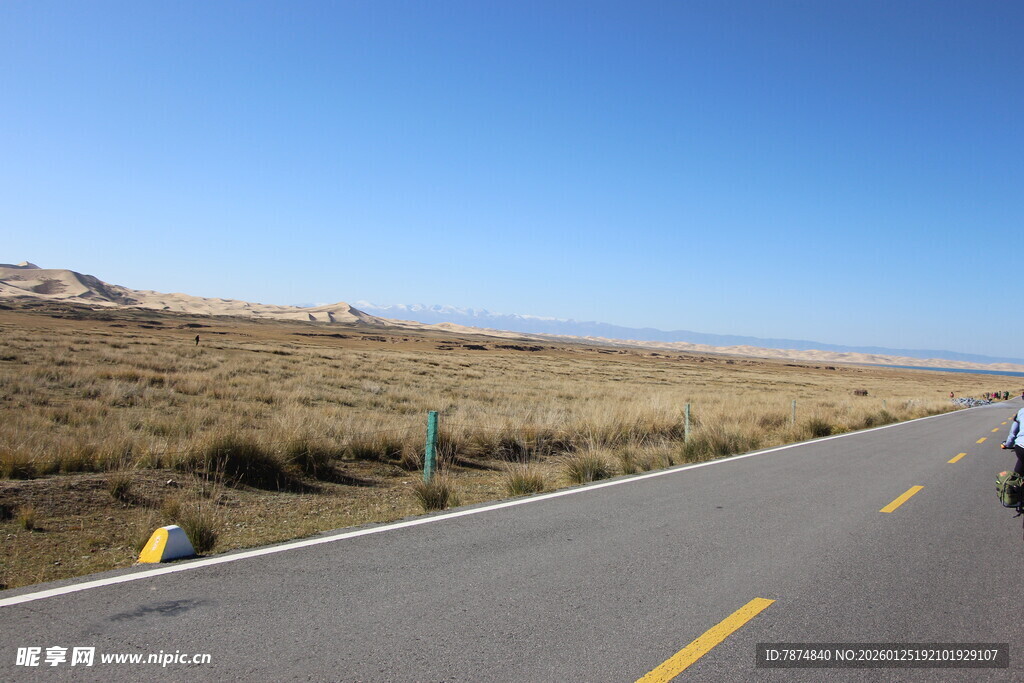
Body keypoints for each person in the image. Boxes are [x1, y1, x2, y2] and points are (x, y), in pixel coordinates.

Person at [1001, 407, 1024, 475]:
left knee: (1018, 475)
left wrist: (1007, 444)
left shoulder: (1021, 411)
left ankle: (1016, 482)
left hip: (1021, 447)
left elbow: (1013, 432)